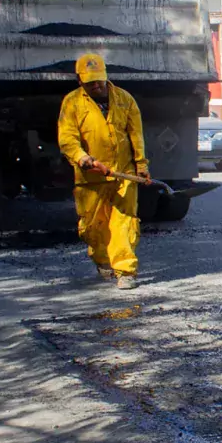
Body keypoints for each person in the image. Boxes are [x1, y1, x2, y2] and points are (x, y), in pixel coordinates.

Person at [57, 53, 148, 290]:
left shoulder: (124, 99)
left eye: (99, 79)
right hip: (90, 177)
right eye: (90, 82)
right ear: (80, 80)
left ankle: (125, 270)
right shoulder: (72, 103)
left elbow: (135, 135)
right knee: (93, 226)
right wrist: (83, 158)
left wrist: (141, 165)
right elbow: (67, 138)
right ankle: (102, 259)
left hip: (122, 173)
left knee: (124, 222)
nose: (96, 85)